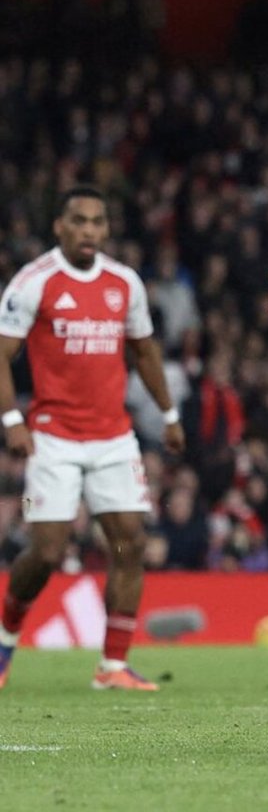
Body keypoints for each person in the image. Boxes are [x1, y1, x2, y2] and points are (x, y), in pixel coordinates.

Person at [0, 185, 186, 691]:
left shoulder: (124, 283)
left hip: (113, 437)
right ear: (59, 226)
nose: (89, 230)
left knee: (130, 543)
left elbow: (144, 352)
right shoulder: (34, 282)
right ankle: (5, 638)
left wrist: (168, 413)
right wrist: (11, 421)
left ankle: (112, 666)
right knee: (47, 553)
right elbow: (2, 352)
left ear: (107, 229)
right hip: (52, 436)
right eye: (79, 221)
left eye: (98, 222)